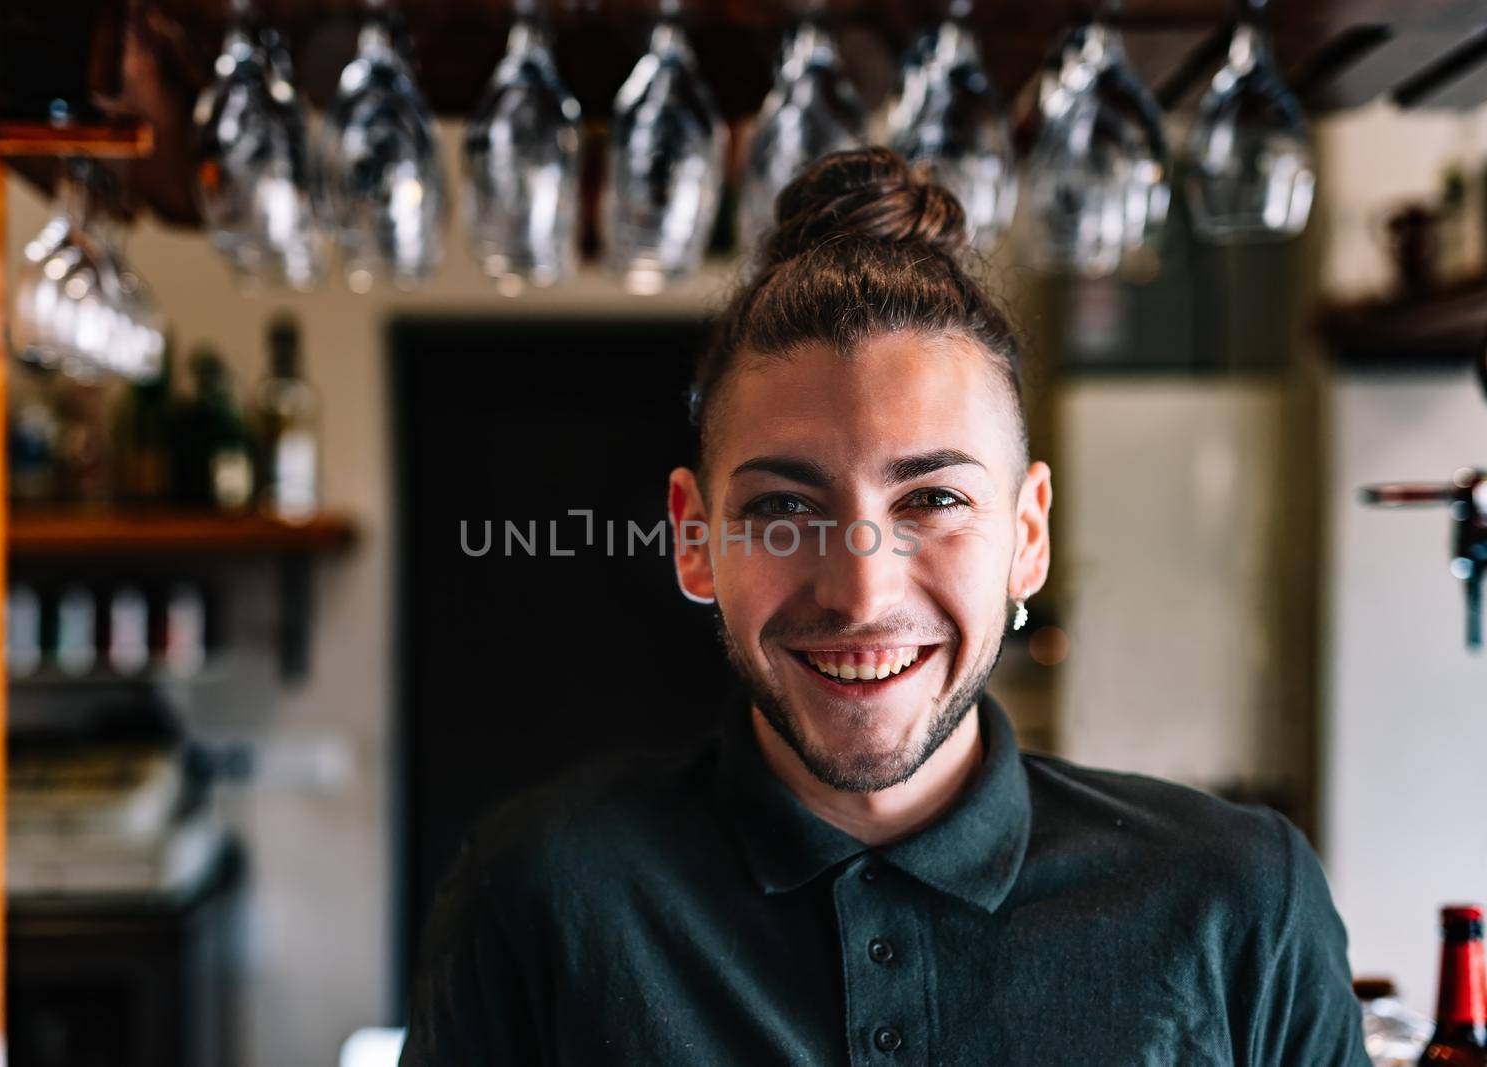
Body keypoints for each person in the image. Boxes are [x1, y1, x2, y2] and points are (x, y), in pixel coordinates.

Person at [398, 146, 1370, 1066]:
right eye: (784, 507)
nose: (861, 591)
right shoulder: (535, 893)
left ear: (1026, 532)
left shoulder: (1237, 897)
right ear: (694, 536)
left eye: (933, 500)